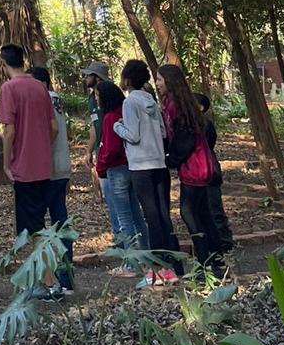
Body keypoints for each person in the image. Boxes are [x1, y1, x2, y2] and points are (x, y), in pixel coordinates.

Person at [114, 58, 183, 285]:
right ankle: (175, 266)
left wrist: (117, 127)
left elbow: (133, 135)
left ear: (127, 79)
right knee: (163, 216)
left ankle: (159, 269)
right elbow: (162, 132)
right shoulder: (151, 100)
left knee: (151, 218)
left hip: (141, 167)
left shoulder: (130, 102)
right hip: (159, 165)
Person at [156, 65, 226, 277]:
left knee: (189, 214)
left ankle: (203, 264)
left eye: (159, 79)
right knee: (203, 214)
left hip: (194, 168)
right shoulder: (177, 104)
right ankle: (217, 260)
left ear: (170, 81)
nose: (157, 84)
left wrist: (170, 159)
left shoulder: (177, 107)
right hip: (198, 166)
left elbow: (184, 140)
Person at [0, 44, 57, 245]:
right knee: (39, 220)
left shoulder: (8, 88)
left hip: (23, 167)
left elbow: (9, 131)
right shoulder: (40, 87)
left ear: (3, 63)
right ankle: (47, 264)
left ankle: (45, 266)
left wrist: (6, 164)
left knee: (31, 230)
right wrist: (42, 146)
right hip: (43, 166)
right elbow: (54, 127)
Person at [95, 80, 149, 275]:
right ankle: (146, 256)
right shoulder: (124, 112)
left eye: (98, 96)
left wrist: (100, 166)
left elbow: (110, 149)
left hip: (116, 170)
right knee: (137, 215)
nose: (96, 99)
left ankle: (131, 264)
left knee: (124, 217)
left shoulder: (110, 117)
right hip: (130, 166)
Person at [31, 66, 74, 295]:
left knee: (40, 222)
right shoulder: (57, 99)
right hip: (62, 166)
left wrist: (37, 151)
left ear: (42, 83)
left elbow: (51, 130)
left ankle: (49, 278)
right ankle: (66, 277)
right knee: (61, 219)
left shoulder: (43, 99)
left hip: (47, 168)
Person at [195, 93, 235, 253]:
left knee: (214, 209)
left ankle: (224, 243)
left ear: (200, 107)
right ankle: (215, 243)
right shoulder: (199, 124)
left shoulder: (204, 125)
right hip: (205, 169)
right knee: (206, 210)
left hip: (208, 170)